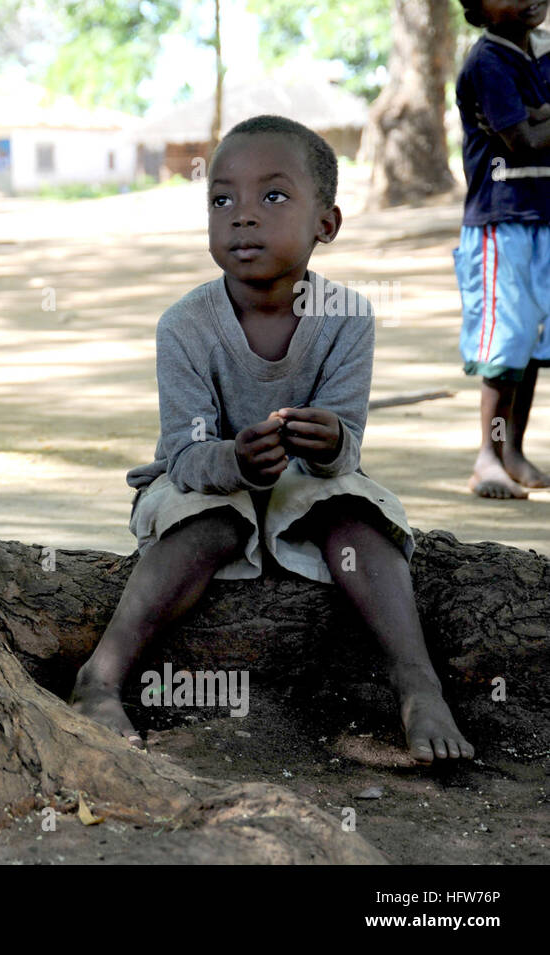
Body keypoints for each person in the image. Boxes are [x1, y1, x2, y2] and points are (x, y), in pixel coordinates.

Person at [70, 115, 475, 764]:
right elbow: (184, 452)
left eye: (274, 197)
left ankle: (415, 681)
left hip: (304, 487)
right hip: (203, 483)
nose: (243, 216)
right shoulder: (184, 325)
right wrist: (232, 457)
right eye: (222, 199)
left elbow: (347, 452)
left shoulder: (346, 318)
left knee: (357, 513)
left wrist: (328, 438)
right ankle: (101, 677)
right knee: (208, 525)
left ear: (327, 224)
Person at [454, 0, 550, 498]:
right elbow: (525, 140)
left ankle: (513, 449)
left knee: (533, 343)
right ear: (479, 9)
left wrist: (540, 116)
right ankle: (487, 457)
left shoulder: (542, 52)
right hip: (502, 222)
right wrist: (536, 119)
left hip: (544, 219)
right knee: (504, 345)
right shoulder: (488, 62)